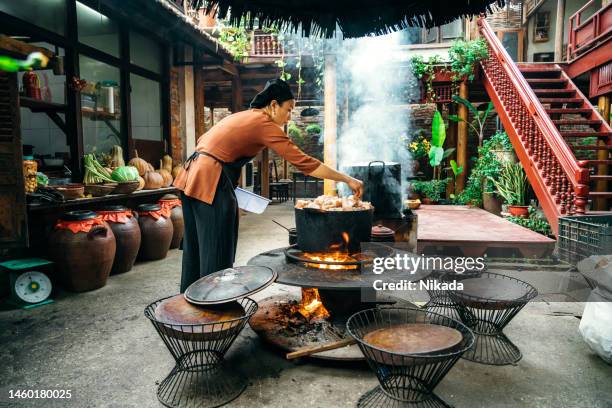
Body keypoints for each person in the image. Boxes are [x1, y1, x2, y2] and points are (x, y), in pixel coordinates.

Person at [173, 79, 363, 292]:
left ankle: (188, 309)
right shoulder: (263, 123)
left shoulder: (245, 116)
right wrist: (347, 179)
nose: (290, 116)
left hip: (190, 177)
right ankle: (214, 310)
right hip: (209, 180)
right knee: (217, 249)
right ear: (274, 105)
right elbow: (305, 163)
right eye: (288, 110)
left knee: (195, 249)